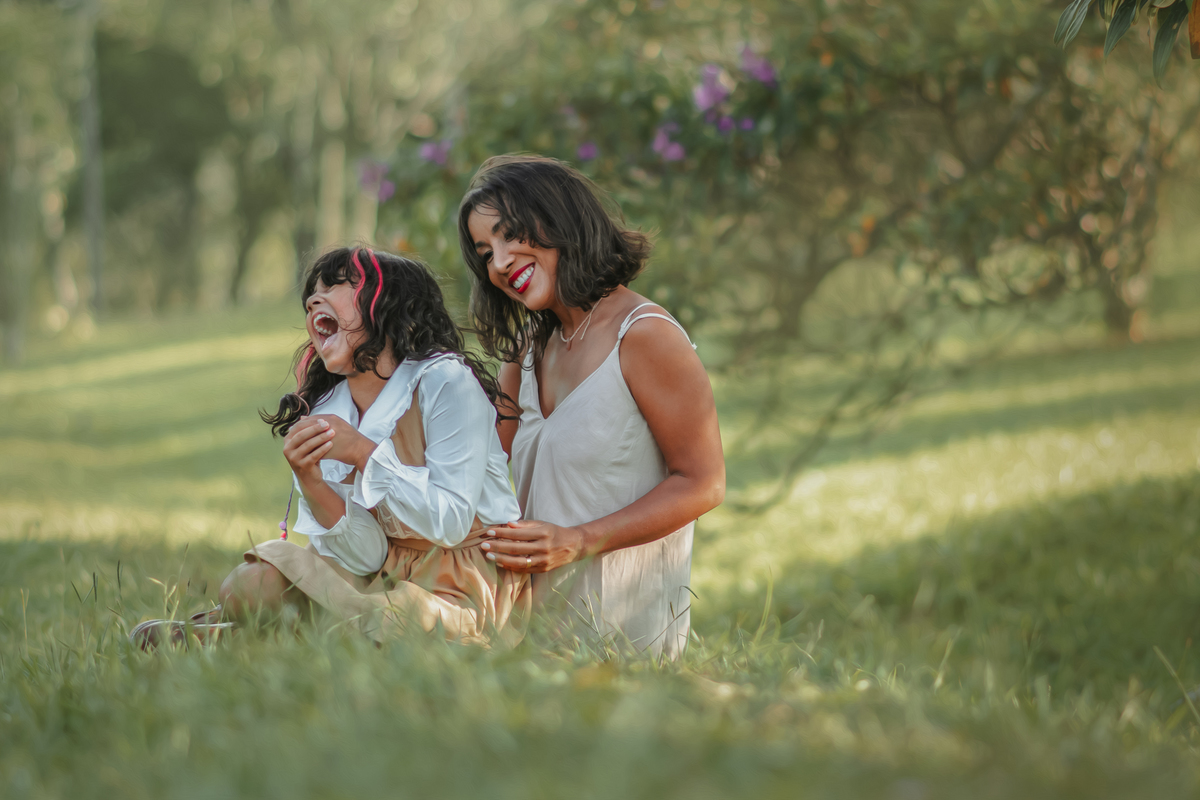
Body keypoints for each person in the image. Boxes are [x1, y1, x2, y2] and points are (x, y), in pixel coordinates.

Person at [130, 247, 529, 648]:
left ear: (390, 308)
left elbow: (451, 523)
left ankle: (241, 637)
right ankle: (308, 628)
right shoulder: (327, 408)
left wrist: (362, 453)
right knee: (248, 585)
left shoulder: (445, 382)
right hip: (380, 571)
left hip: (461, 579)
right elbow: (366, 557)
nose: (314, 301)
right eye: (314, 293)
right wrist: (312, 482)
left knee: (398, 620)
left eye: (339, 285)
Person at [459, 155, 725, 658]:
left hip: (623, 641)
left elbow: (703, 483)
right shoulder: (525, 355)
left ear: (561, 218)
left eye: (509, 234)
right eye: (485, 252)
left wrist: (579, 540)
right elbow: (474, 476)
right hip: (526, 641)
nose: (499, 263)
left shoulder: (645, 335)